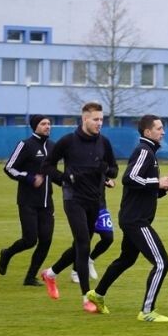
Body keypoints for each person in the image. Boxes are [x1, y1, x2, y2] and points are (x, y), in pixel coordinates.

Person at [84, 115, 168, 322]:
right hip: (136, 220)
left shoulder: (149, 152)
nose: (163, 132)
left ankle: (97, 294)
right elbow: (130, 178)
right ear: (148, 132)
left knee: (126, 259)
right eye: (159, 128)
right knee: (162, 263)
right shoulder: (144, 151)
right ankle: (147, 311)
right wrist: (157, 182)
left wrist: (162, 189)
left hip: (133, 218)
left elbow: (141, 188)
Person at [39, 102, 118, 309]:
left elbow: (114, 170)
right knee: (83, 244)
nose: (99, 123)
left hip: (95, 200)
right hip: (73, 199)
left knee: (79, 245)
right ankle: (86, 297)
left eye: (101, 119)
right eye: (95, 119)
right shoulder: (68, 141)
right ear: (85, 119)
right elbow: (47, 166)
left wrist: (106, 170)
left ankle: (50, 273)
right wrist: (64, 178)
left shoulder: (104, 142)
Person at [0, 115, 55, 286]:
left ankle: (30, 277)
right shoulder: (25, 145)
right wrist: (30, 178)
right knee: (30, 240)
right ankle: (7, 253)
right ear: (35, 126)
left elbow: (53, 172)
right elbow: (9, 167)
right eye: (43, 124)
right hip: (28, 201)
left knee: (46, 240)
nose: (48, 126)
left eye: (49, 123)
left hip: (47, 203)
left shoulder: (53, 146)